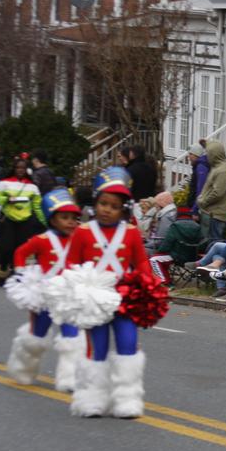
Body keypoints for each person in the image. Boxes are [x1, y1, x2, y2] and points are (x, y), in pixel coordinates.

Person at [66, 167, 154, 419]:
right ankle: (92, 398)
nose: (107, 209)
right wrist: (77, 291)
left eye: (114, 206)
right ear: (95, 202)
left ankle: (127, 400)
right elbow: (71, 266)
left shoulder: (130, 232)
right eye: (103, 203)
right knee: (97, 348)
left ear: (123, 209)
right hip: (94, 301)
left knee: (128, 345)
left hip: (125, 299)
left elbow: (142, 264)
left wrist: (148, 288)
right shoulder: (82, 232)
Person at [5, 189, 83, 391]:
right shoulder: (42, 240)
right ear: (53, 220)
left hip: (68, 295)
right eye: (64, 217)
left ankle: (69, 379)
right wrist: (22, 275)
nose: (70, 222)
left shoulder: (79, 239)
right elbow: (20, 253)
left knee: (72, 338)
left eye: (74, 218)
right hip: (44, 295)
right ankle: (22, 368)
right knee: (36, 339)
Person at [0, 157, 45, 281]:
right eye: (18, 167)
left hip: (25, 221)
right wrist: (6, 199)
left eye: (23, 168)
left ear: (26, 169)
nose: (20, 170)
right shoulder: (4, 182)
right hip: (8, 219)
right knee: (6, 248)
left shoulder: (33, 187)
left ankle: (16, 274)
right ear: (14, 168)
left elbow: (37, 206)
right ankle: (2, 270)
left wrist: (44, 222)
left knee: (20, 250)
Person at [149, 206, 203, 283]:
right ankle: (167, 279)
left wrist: (159, 251)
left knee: (153, 259)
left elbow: (168, 242)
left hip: (176, 256)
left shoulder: (175, 225)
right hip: (193, 257)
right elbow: (201, 242)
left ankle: (165, 281)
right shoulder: (197, 226)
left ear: (177, 215)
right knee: (160, 257)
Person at [197, 140, 226, 240]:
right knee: (205, 245)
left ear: (214, 154)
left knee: (211, 244)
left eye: (208, 153)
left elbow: (218, 193)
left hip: (215, 216)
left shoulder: (223, 170)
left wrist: (203, 201)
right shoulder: (216, 167)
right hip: (209, 213)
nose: (207, 156)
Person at [187, 142, 210, 214]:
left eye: (191, 154)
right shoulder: (198, 165)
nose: (189, 157)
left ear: (197, 155)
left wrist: (195, 209)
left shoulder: (201, 167)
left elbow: (200, 189)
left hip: (198, 208)